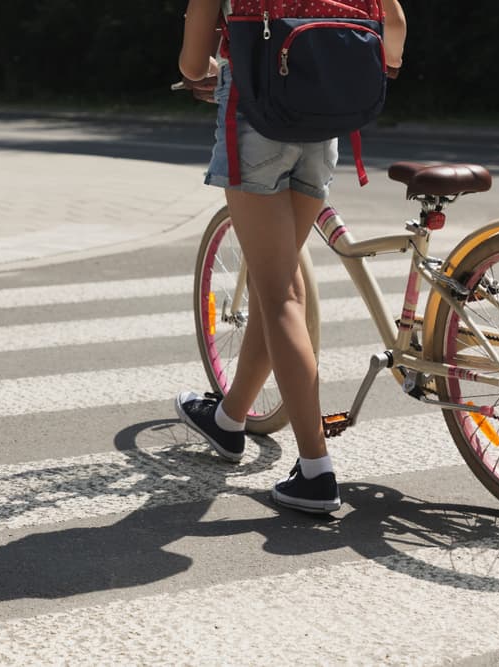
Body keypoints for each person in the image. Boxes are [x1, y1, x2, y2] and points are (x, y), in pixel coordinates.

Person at [175, 0, 407, 514]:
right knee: (277, 284)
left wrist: (213, 69)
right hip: (324, 124)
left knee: (280, 292)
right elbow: (394, 30)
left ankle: (315, 471)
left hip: (257, 120)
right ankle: (230, 418)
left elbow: (193, 65)